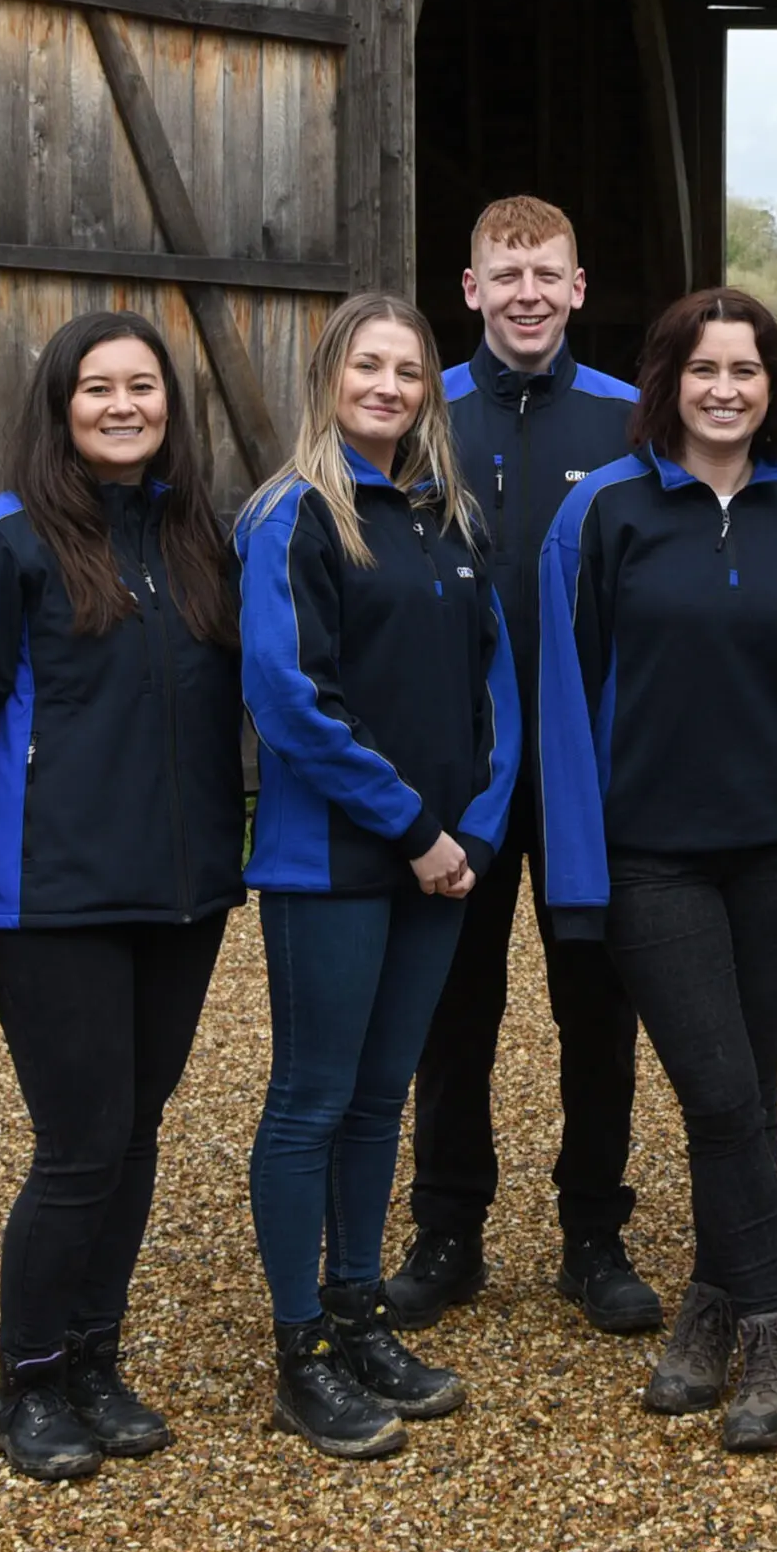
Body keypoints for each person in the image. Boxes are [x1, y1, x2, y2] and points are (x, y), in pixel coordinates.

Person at [0, 311, 244, 1482]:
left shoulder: (197, 535)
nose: (123, 405)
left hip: (178, 899)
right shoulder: (4, 537)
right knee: (81, 1144)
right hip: (51, 901)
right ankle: (29, 1378)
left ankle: (96, 1355)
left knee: (134, 1135)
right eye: (97, 388)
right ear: (59, 405)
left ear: (168, 406)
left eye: (142, 386)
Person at [539, 287, 777, 1454]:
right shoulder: (603, 513)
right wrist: (577, 877)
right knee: (722, 1092)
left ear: (773, 385)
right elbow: (565, 704)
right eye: (703, 368)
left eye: (746, 368)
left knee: (743, 1090)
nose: (725, 388)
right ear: (668, 381)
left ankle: (706, 1307)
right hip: (655, 860)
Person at [236, 293, 518, 1461]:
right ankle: (300, 1345)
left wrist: (477, 828)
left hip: (441, 865)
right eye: (370, 364)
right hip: (338, 861)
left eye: (409, 369)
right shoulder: (292, 513)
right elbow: (290, 697)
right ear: (330, 375)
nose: (390, 385)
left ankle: (359, 1312)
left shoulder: (446, 515)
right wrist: (413, 826)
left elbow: (493, 684)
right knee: (312, 1097)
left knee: (378, 1095)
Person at [393, 197, 661, 1338]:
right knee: (452, 1006)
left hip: (590, 770)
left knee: (597, 1005)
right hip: (458, 772)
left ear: (579, 286)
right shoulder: (418, 415)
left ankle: (594, 1231)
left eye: (545, 273)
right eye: (505, 274)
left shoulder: (629, 422)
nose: (526, 294)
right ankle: (447, 1227)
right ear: (469, 289)